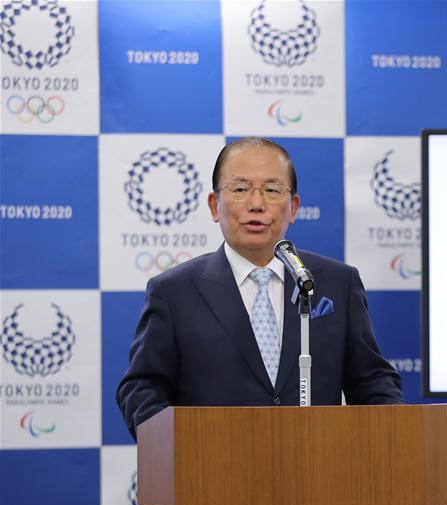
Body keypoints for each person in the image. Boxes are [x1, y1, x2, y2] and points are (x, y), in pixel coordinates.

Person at [117, 137, 403, 439]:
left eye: (271, 190)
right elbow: (142, 389)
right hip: (212, 473)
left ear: (293, 207)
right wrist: (179, 448)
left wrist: (394, 436)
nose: (256, 204)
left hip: (319, 469)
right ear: (215, 206)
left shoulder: (336, 283)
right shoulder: (174, 292)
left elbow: (372, 381)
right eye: (239, 189)